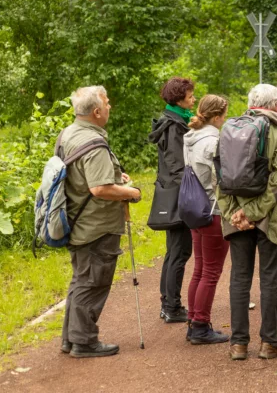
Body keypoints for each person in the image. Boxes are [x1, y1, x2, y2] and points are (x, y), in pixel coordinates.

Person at [60, 86, 142, 358]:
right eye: (107, 104)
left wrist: (116, 174)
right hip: (96, 225)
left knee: (81, 280)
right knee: (93, 283)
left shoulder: (69, 134)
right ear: (96, 111)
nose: (110, 107)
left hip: (77, 221)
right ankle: (84, 342)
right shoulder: (93, 144)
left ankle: (70, 340)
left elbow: (82, 175)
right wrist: (132, 193)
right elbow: (100, 189)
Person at [217, 84, 277, 361]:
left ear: (250, 103)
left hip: (235, 218)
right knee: (271, 279)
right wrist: (255, 212)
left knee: (239, 277)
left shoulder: (229, 129)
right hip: (270, 217)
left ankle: (238, 344)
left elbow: (220, 177)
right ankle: (270, 343)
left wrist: (234, 212)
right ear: (275, 105)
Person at [148, 77, 196, 323]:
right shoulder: (174, 126)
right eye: (190, 96)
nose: (194, 99)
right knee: (179, 252)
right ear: (179, 99)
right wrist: (191, 196)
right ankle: (171, 307)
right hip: (179, 196)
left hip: (172, 192)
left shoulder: (175, 121)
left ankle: (168, 304)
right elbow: (178, 167)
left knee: (174, 252)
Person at [184, 94, 230, 344]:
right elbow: (219, 178)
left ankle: (194, 321)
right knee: (211, 272)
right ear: (216, 116)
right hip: (213, 209)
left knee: (200, 269)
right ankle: (200, 325)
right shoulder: (214, 141)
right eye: (224, 115)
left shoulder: (189, 138)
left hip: (194, 208)